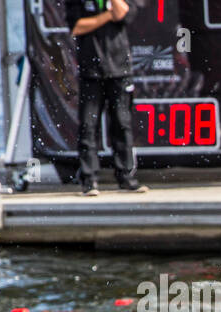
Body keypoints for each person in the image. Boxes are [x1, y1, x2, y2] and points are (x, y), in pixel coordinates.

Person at [65, 0, 147, 195]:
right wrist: (107, 16)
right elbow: (77, 26)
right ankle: (89, 179)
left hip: (119, 69)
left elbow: (124, 13)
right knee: (88, 125)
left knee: (122, 123)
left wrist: (111, 9)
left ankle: (126, 177)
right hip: (91, 71)